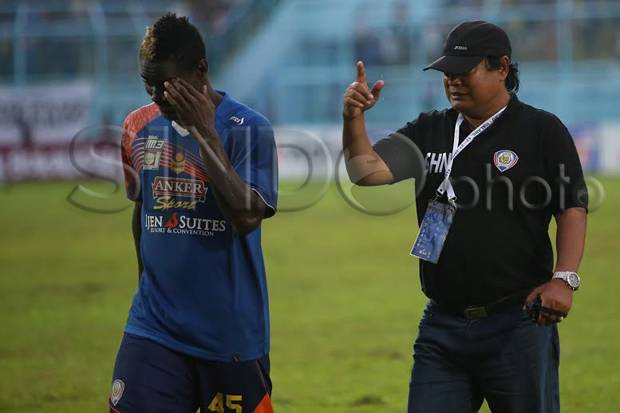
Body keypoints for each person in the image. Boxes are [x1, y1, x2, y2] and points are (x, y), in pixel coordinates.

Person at [342, 21, 587, 413]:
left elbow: (572, 206)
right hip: (442, 326)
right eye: (447, 73)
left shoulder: (541, 130)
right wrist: (353, 118)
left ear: (501, 67)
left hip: (518, 322)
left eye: (464, 71)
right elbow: (364, 171)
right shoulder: (429, 130)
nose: (453, 81)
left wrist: (564, 279)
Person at [111, 13, 277, 413]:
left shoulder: (248, 129)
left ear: (201, 70)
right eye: (147, 85)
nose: (157, 96)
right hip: (154, 327)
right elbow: (142, 212)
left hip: (229, 338)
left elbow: (246, 216)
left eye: (166, 85)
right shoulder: (138, 126)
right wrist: (148, 289)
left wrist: (204, 132)